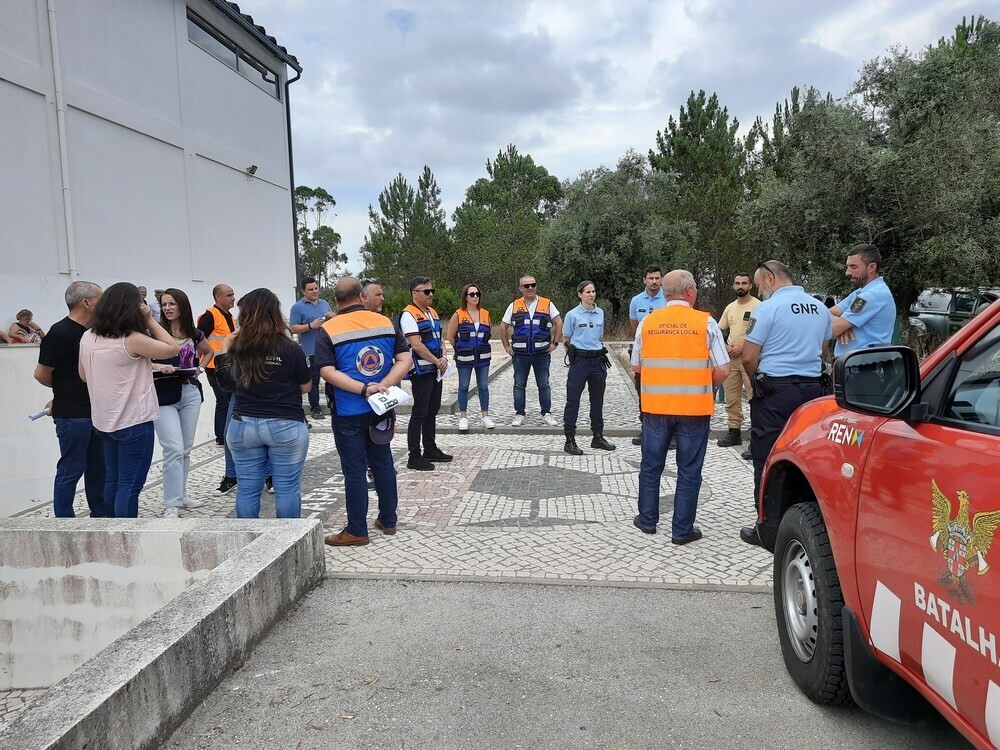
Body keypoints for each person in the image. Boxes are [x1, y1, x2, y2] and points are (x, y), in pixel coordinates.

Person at [631, 270, 729, 544]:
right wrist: (701, 383)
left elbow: (636, 366)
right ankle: (682, 530)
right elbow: (723, 369)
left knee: (651, 466)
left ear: (665, 293)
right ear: (689, 291)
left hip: (656, 408)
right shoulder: (705, 323)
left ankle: (647, 520)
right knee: (689, 470)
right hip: (694, 409)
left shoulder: (648, 322)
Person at [740, 261, 832, 547]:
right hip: (813, 391)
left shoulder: (767, 309)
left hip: (775, 392)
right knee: (807, 455)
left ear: (770, 278)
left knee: (766, 454)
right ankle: (804, 522)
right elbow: (823, 349)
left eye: (759, 285)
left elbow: (748, 357)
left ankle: (767, 528)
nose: (759, 291)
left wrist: (756, 380)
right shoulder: (820, 308)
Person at [316, 277, 412, 546]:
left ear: (337, 301)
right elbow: (405, 359)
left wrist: (363, 389)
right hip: (381, 408)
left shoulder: (328, 329)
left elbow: (327, 371)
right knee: (382, 462)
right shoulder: (387, 323)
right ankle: (388, 520)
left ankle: (357, 530)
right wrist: (384, 385)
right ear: (361, 296)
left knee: (355, 470)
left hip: (348, 410)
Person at [78, 282, 179, 518]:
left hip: (104, 421)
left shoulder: (88, 337)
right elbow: (172, 348)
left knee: (112, 480)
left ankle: (113, 529)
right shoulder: (131, 339)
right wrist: (150, 319)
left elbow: (83, 375)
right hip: (133, 421)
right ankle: (126, 533)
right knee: (129, 486)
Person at [221, 288, 311, 519]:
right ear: (274, 313)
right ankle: (287, 539)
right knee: (287, 487)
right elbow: (306, 387)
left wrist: (225, 346)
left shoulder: (238, 347)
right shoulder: (291, 348)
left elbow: (226, 383)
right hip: (285, 423)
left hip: (243, 425)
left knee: (247, 488)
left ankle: (247, 537)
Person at [34, 281, 106, 517]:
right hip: (73, 415)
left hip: (97, 412)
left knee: (99, 469)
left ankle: (100, 517)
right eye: (100, 298)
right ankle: (65, 522)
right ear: (86, 302)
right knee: (71, 469)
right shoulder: (60, 332)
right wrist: (64, 392)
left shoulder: (95, 332)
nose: (105, 303)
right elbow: (41, 373)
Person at [152, 288, 214, 518]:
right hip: (163, 394)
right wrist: (159, 366)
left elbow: (209, 352)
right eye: (164, 304)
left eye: (172, 304)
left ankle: (180, 494)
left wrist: (200, 368)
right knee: (173, 449)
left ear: (182, 306)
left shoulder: (194, 333)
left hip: (190, 392)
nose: (167, 308)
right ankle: (171, 503)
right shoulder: (154, 332)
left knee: (185, 450)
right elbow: (140, 360)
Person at [400, 276, 452, 471]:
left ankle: (430, 448)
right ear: (414, 293)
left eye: (432, 291)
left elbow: (440, 339)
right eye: (426, 291)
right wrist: (437, 361)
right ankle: (414, 455)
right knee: (420, 412)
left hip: (436, 370)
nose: (431, 294)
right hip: (421, 371)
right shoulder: (408, 315)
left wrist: (444, 356)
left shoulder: (432, 312)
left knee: (433, 409)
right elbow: (416, 345)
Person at [500, 274, 562, 426]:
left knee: (544, 384)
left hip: (542, 353)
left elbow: (558, 322)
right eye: (526, 286)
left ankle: (546, 413)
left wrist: (555, 343)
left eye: (533, 285)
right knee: (519, 384)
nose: (530, 288)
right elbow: (503, 326)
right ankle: (519, 414)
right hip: (520, 354)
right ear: (520, 288)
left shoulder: (547, 303)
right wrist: (506, 346)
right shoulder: (514, 305)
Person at [562, 281, 615, 455]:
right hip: (580, 362)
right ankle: (570, 439)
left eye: (593, 291)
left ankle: (597, 436)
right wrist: (573, 355)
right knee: (573, 401)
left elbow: (599, 336)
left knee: (597, 400)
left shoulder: (600, 313)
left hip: (597, 361)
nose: (592, 294)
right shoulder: (572, 315)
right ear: (580, 294)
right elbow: (565, 339)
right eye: (588, 292)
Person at [716, 273, 760, 448]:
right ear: (733, 286)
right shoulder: (730, 307)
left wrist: (743, 347)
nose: (740, 286)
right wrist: (726, 347)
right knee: (732, 397)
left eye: (744, 283)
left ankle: (757, 434)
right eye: (737, 283)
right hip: (732, 359)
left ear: (750, 285)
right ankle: (734, 431)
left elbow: (763, 332)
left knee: (754, 396)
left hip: (751, 358)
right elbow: (718, 330)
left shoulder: (758, 306)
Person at [830, 244, 896, 355]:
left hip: (864, 363)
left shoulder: (871, 295)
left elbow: (831, 330)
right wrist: (843, 325)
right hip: (857, 361)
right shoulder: (861, 292)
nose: (847, 272)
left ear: (871, 267)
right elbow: (827, 313)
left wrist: (839, 326)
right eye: (847, 267)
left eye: (853, 267)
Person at [447, 283, 495, 431]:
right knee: (463, 386)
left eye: (477, 294)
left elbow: (488, 333)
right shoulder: (458, 314)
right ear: (465, 297)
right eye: (472, 294)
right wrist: (460, 348)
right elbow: (450, 336)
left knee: (483, 386)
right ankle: (463, 417)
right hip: (465, 357)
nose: (475, 297)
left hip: (483, 357)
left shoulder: (485, 314)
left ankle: (485, 416)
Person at [628, 266, 666, 444]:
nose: (654, 282)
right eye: (651, 278)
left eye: (657, 278)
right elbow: (635, 328)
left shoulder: (668, 299)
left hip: (665, 355)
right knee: (643, 392)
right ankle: (646, 429)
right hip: (644, 355)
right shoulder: (636, 301)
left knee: (665, 393)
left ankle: (669, 433)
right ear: (644, 280)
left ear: (662, 279)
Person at [197, 283, 237, 450]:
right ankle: (221, 437)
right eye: (229, 295)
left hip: (228, 366)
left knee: (229, 400)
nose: (233, 298)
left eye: (233, 294)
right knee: (223, 401)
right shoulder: (209, 316)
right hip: (214, 367)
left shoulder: (230, 317)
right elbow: (198, 341)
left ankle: (227, 434)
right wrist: (199, 365)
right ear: (218, 297)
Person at [288, 277, 334, 420]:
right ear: (303, 291)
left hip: (327, 348)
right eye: (311, 289)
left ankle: (333, 403)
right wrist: (310, 326)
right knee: (313, 381)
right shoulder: (297, 307)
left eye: (316, 288)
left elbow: (334, 322)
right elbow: (293, 328)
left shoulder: (324, 303)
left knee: (332, 378)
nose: (315, 291)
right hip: (310, 350)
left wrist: (333, 317)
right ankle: (315, 408)